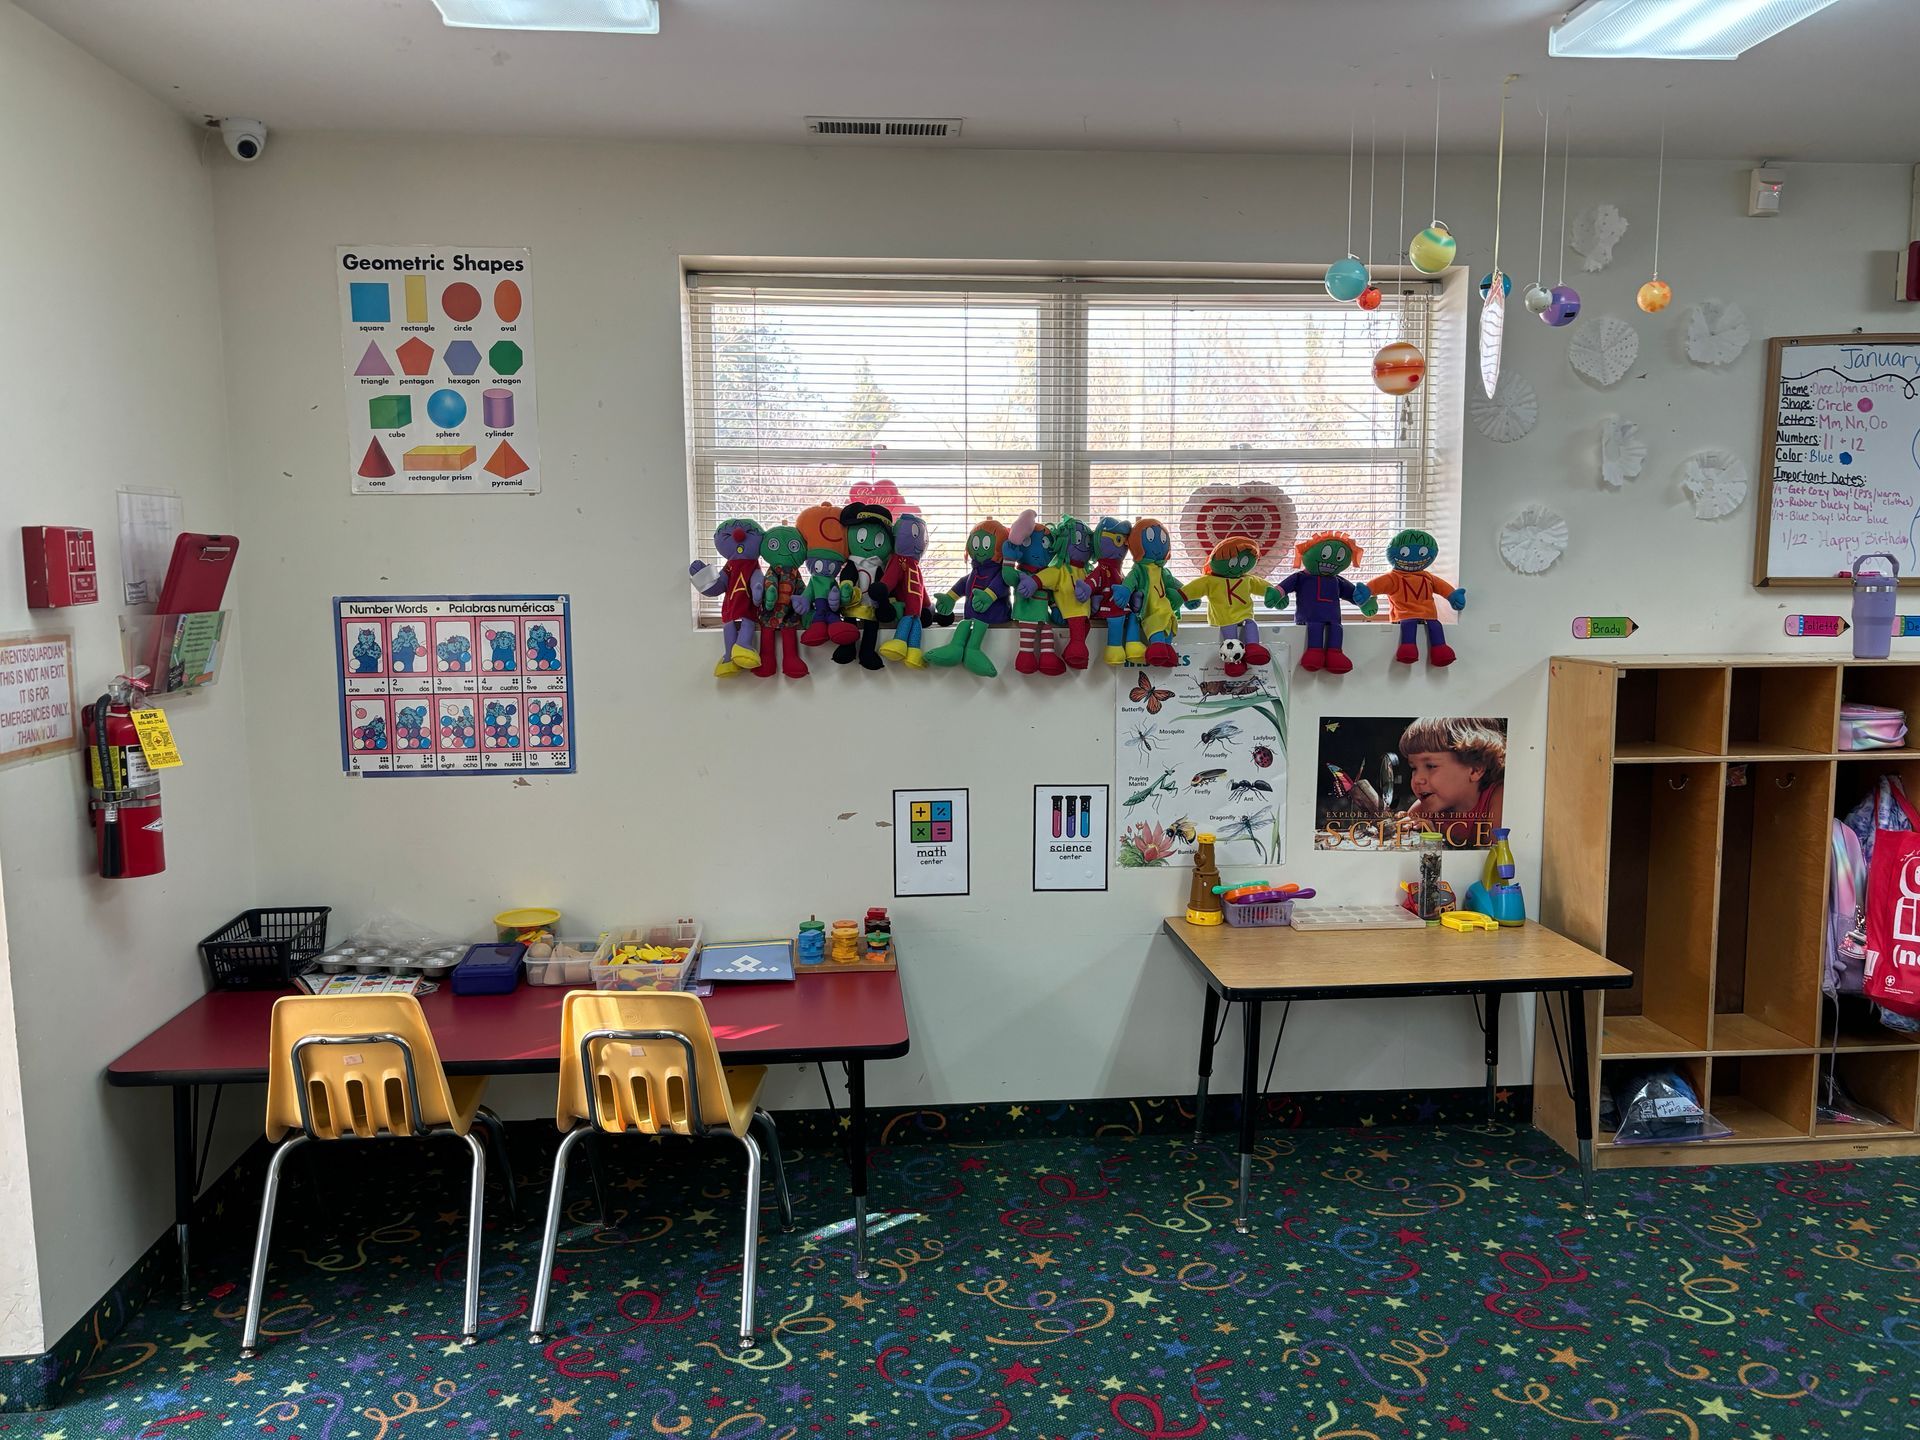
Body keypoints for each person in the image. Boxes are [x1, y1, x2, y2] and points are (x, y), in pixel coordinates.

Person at [1397, 716, 1505, 849]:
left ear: (1475, 769)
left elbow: (1494, 860)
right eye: (1414, 768)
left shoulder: (1498, 799)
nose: (1417, 779)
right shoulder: (1421, 809)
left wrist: (1439, 841)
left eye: (1430, 766)